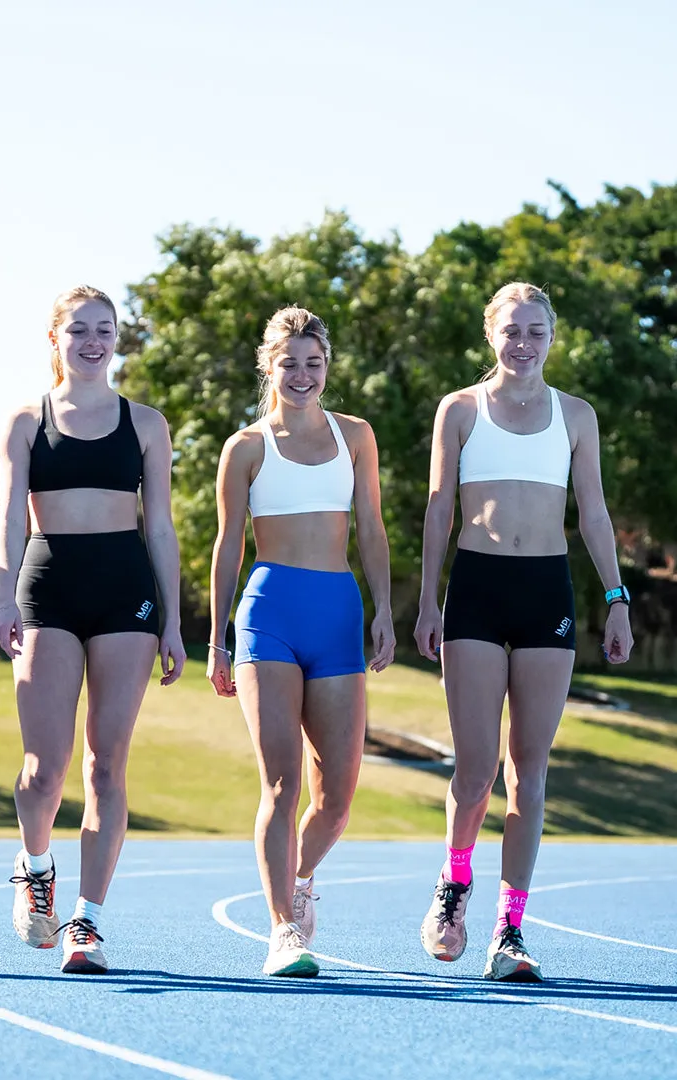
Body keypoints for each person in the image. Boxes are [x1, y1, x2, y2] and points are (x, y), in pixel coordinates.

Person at [414, 281, 634, 982]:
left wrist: (617, 596)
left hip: (547, 595)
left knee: (529, 772)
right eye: (512, 330)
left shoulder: (576, 416)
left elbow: (593, 514)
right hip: (475, 594)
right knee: (475, 770)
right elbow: (438, 511)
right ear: (491, 334)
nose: (524, 342)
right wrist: (426, 601)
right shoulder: (460, 410)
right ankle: (453, 888)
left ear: (551, 336)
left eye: (536, 331)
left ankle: (510, 930)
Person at [0, 285, 185, 975]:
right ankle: (35, 866)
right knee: (44, 771)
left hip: (124, 591)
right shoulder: (24, 420)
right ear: (56, 338)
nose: (93, 340)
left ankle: (87, 922)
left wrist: (173, 620)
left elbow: (160, 525)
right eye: (79, 329)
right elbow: (10, 517)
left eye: (105, 329)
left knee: (108, 763)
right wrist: (3, 596)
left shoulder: (147, 424)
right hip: (47, 585)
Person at [207, 306, 395, 977]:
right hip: (269, 614)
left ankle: (301, 877)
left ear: (327, 367)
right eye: (290, 363)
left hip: (339, 613)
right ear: (270, 366)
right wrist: (216, 638)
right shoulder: (247, 447)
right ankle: (283, 929)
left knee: (337, 794)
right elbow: (228, 546)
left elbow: (370, 529)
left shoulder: (356, 436)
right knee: (282, 785)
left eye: (314, 363)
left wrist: (384, 611)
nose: (303, 375)